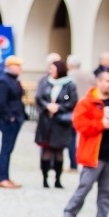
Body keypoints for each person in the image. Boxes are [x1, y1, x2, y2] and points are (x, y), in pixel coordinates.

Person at [57, 70, 109, 217]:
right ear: (99, 82)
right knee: (84, 188)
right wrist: (100, 124)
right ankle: (67, 216)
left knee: (106, 191)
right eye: (108, 81)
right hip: (94, 155)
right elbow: (80, 125)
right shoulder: (87, 102)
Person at [34, 59, 78, 188]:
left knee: (59, 150)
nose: (51, 71)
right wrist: (47, 106)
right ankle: (45, 178)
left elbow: (72, 101)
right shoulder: (46, 82)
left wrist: (58, 107)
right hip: (47, 121)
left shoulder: (69, 84)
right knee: (46, 150)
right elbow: (39, 97)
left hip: (60, 122)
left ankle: (58, 179)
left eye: (53, 69)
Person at [0, 56, 26, 188]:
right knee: (5, 149)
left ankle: (5, 176)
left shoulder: (13, 80)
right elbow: (1, 102)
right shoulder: (4, 81)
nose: (20, 69)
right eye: (18, 66)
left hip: (15, 118)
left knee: (8, 149)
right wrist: (10, 116)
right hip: (9, 120)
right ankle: (2, 178)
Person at [67, 54, 95, 171]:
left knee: (72, 137)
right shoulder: (89, 75)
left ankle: (74, 163)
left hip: (76, 108)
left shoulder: (70, 76)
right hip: (89, 107)